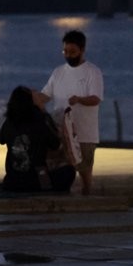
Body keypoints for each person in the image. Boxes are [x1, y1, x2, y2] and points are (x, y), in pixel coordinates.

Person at [38, 30, 104, 195]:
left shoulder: (92, 72)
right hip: (61, 131)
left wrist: (79, 99)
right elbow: (45, 95)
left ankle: (87, 193)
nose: (68, 55)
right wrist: (30, 100)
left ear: (82, 50)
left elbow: (96, 98)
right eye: (65, 51)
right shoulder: (58, 72)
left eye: (72, 52)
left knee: (85, 168)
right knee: (60, 166)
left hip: (84, 132)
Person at [0, 86, 76, 193]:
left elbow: (2, 139)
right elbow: (55, 144)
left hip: (12, 181)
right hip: (37, 180)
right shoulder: (40, 119)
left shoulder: (8, 122)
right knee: (69, 171)